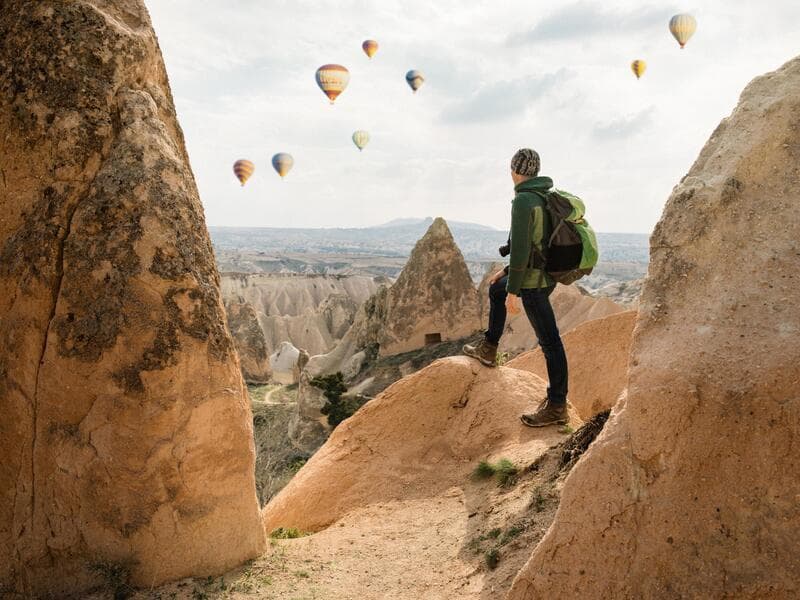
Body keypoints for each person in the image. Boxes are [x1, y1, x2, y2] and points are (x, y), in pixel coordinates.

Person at [463, 148, 569, 427]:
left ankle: (557, 405)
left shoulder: (524, 200)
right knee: (495, 288)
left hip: (533, 283)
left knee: (550, 343)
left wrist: (514, 291)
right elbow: (539, 244)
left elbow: (522, 248)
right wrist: (507, 274)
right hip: (542, 276)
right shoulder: (544, 196)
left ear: (514, 171)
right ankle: (489, 348)